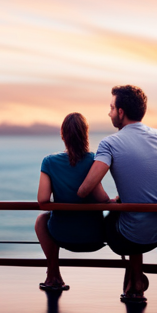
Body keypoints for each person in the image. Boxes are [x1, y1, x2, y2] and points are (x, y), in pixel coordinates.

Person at [77, 85, 157, 303]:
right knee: (152, 214)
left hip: (131, 237)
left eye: (111, 108)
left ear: (121, 112)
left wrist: (112, 199)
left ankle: (136, 280)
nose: (109, 113)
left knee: (118, 218)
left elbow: (85, 190)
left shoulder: (110, 143)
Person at [35, 112, 111, 291]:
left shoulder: (49, 162)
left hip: (61, 235)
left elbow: (43, 199)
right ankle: (133, 281)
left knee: (41, 221)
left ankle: (53, 274)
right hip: (94, 236)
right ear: (86, 134)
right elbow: (102, 198)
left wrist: (63, 194)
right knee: (120, 217)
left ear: (62, 134)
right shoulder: (94, 160)